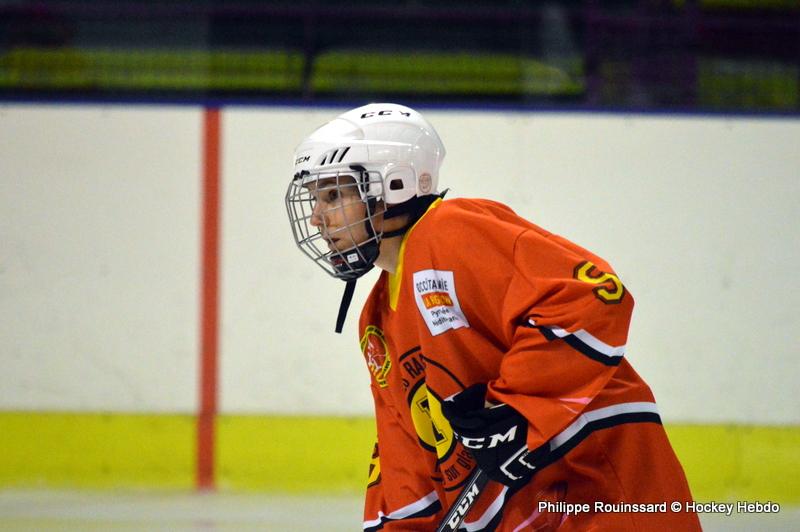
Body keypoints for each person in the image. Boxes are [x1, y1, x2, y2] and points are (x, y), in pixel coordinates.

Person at [285, 103, 700, 531]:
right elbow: (405, 461)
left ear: (392, 184)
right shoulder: (376, 323)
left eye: (333, 196)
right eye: (316, 199)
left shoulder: (450, 232)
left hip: (606, 493)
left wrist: (516, 410)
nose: (316, 218)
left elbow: (592, 297)